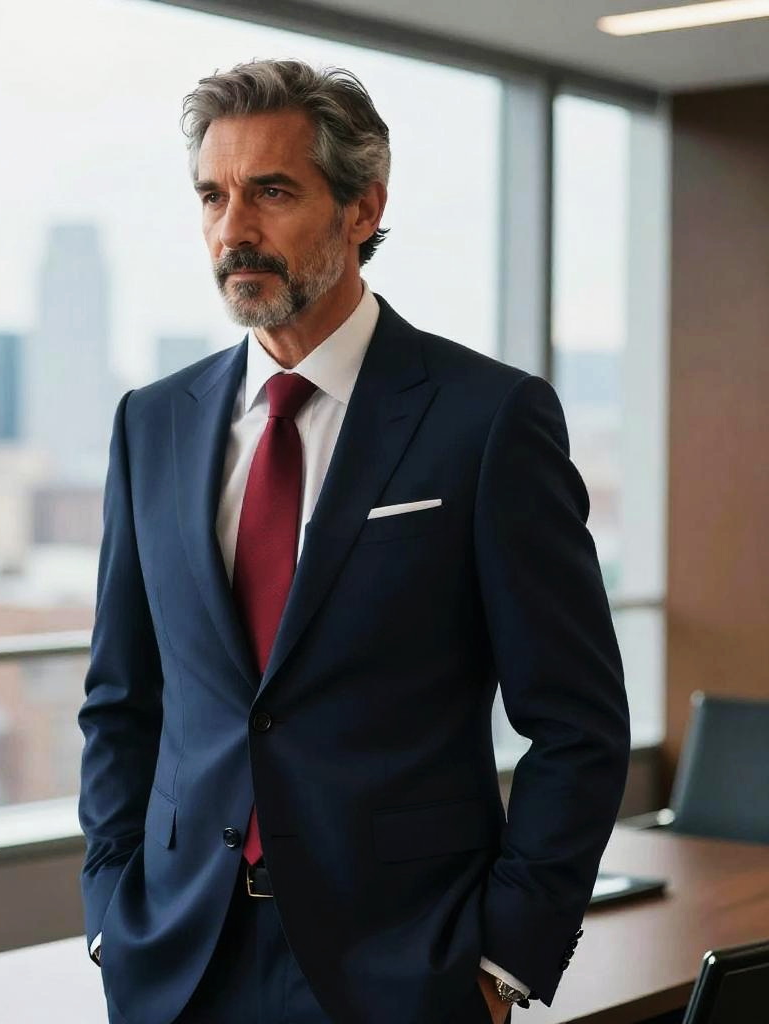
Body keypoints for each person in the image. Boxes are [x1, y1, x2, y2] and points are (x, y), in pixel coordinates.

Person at [77, 58, 630, 1024]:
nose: (232, 231)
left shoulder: (487, 420)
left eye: (273, 193)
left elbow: (578, 724)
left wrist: (504, 958)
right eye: (213, 196)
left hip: (401, 969)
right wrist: (107, 907)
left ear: (362, 207)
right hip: (175, 964)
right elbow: (122, 700)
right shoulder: (150, 424)